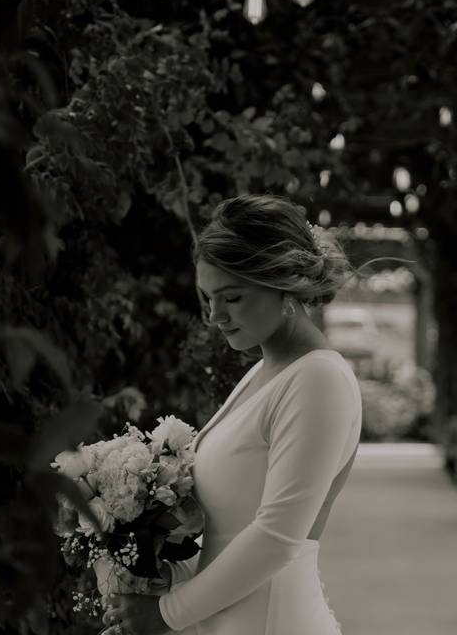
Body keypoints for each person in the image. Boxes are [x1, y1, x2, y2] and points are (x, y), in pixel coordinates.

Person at [100, 194, 363, 634]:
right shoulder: (266, 371)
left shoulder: (319, 380)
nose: (215, 316)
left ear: (284, 282)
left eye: (232, 297)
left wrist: (165, 615)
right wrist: (165, 579)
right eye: (208, 298)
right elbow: (226, 531)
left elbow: (276, 539)